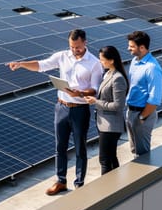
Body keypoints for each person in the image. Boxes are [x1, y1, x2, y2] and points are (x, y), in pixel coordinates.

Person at [7, 29, 103, 195]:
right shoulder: (62, 56)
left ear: (85, 43)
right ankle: (61, 181)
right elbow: (42, 65)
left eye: (78, 47)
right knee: (60, 146)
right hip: (61, 108)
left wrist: (79, 93)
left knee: (80, 148)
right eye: (72, 47)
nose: (75, 50)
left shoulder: (94, 63)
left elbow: (95, 89)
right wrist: (22, 64)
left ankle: (79, 183)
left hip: (80, 109)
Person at [83, 45, 128, 174]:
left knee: (104, 160)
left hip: (111, 126)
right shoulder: (107, 74)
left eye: (102, 60)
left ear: (111, 60)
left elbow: (118, 105)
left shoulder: (117, 78)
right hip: (104, 123)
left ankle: (106, 188)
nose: (100, 62)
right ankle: (116, 186)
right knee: (111, 157)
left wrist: (96, 102)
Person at [125, 30, 162, 156]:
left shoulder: (152, 68)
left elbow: (155, 99)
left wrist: (142, 118)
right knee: (134, 150)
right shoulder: (134, 61)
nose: (128, 49)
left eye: (132, 46)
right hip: (131, 111)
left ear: (142, 48)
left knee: (142, 153)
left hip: (142, 114)